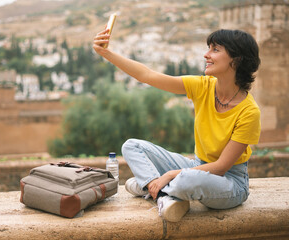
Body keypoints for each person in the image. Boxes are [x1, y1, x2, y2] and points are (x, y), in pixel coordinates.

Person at [93, 28, 261, 222]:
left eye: (215, 49)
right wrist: (106, 53)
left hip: (231, 182)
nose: (206, 54)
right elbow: (147, 75)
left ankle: (150, 186)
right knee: (131, 146)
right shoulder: (203, 86)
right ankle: (161, 191)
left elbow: (221, 167)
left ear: (236, 59)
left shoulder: (249, 112)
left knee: (187, 179)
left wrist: (171, 174)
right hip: (197, 166)